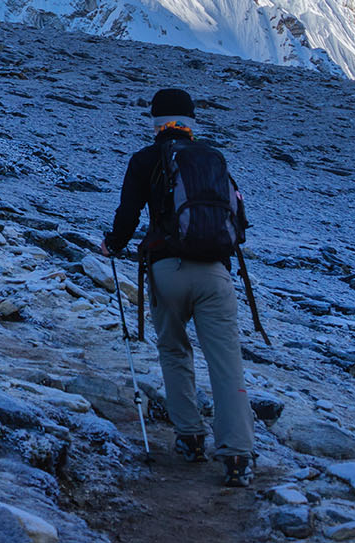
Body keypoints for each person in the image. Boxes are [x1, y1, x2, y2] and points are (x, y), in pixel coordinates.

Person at [99, 88, 256, 486]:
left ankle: (190, 438)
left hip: (167, 271)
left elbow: (129, 213)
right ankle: (237, 457)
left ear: (154, 121)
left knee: (174, 351)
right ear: (191, 122)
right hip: (217, 275)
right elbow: (239, 221)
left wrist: (113, 244)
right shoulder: (211, 159)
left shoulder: (145, 159)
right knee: (226, 363)